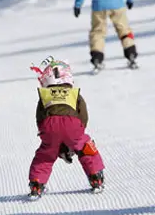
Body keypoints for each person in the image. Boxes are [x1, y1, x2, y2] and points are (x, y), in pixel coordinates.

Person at [28, 56, 105, 199]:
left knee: (45, 154)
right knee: (86, 147)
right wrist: (78, 133)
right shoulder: (73, 93)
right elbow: (83, 114)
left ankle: (37, 184)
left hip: (49, 126)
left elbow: (39, 116)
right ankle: (96, 177)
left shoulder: (45, 95)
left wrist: (45, 134)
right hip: (73, 125)